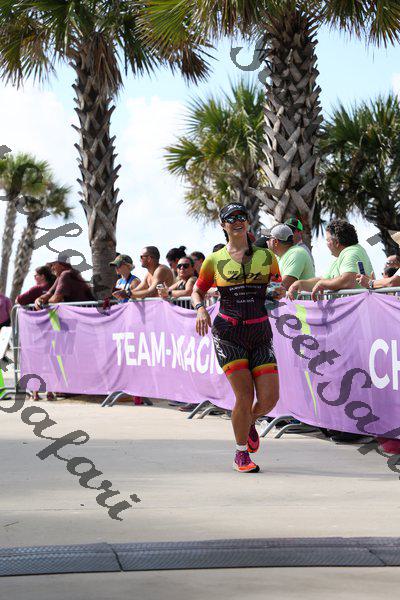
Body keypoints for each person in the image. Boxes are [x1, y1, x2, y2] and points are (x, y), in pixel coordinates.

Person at [192, 202, 285, 473]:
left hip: (260, 332)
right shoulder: (214, 259)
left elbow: (277, 287)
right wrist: (200, 310)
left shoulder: (266, 257)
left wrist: (277, 292)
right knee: (244, 396)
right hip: (229, 334)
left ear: (248, 222)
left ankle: (249, 421)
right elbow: (197, 291)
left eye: (241, 216)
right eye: (230, 218)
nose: (237, 221)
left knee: (269, 399)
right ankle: (241, 454)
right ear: (223, 225)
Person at [288, 219, 374, 302]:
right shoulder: (343, 256)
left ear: (336, 242)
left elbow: (348, 281)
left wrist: (323, 284)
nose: (327, 244)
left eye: (328, 240)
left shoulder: (351, 252)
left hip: (358, 310)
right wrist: (300, 284)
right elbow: (322, 280)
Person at [267, 224, 315, 289]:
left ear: (275, 241)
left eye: (269, 238)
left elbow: (283, 286)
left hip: (298, 296)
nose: (267, 241)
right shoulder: (279, 256)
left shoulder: (297, 253)